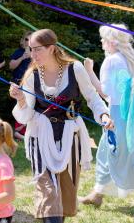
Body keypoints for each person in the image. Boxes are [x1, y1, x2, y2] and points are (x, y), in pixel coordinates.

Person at [9, 29, 114, 223]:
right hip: (40, 135)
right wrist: (21, 99)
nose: (33, 55)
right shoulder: (32, 75)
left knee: (66, 189)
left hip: (69, 136)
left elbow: (92, 97)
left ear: (52, 48)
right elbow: (26, 115)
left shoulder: (74, 69)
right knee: (47, 188)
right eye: (30, 49)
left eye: (37, 49)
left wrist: (104, 115)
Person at [79, 24, 134, 219]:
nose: (101, 42)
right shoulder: (128, 59)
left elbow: (105, 92)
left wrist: (89, 70)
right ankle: (97, 194)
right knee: (105, 151)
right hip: (128, 115)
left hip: (117, 115)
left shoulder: (111, 61)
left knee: (132, 158)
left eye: (103, 38)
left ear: (112, 41)